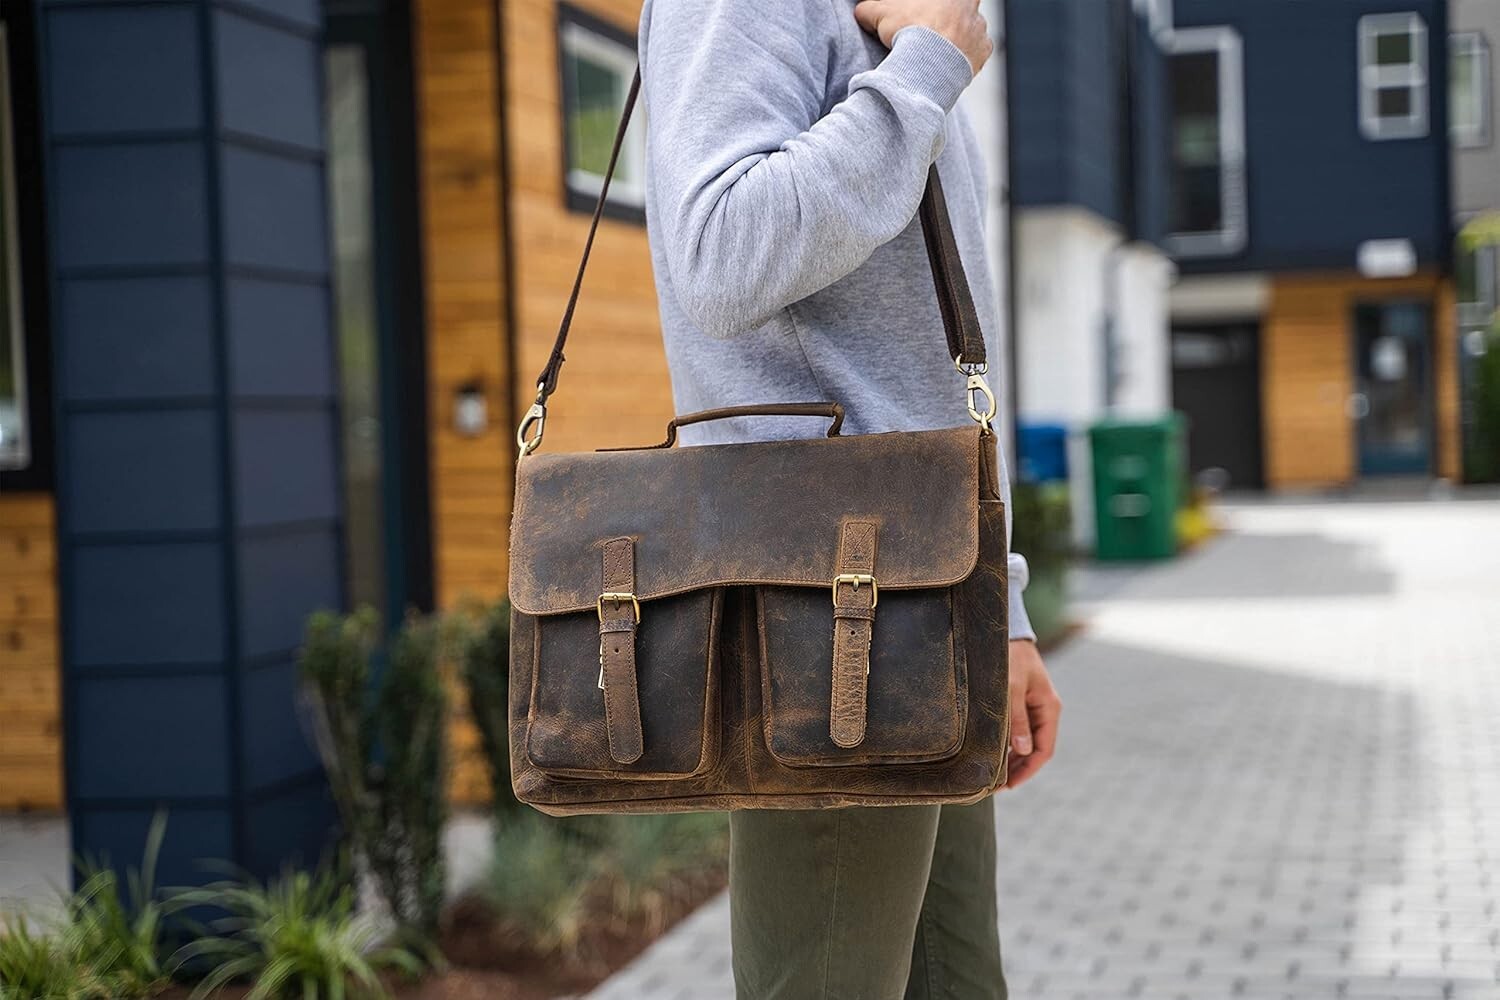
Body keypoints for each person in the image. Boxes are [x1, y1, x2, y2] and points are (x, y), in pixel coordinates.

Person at [636, 0, 1063, 995]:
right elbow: (720, 255)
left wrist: (999, 604)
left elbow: (935, 361)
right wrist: (927, 70)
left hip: (931, 594)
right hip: (826, 616)